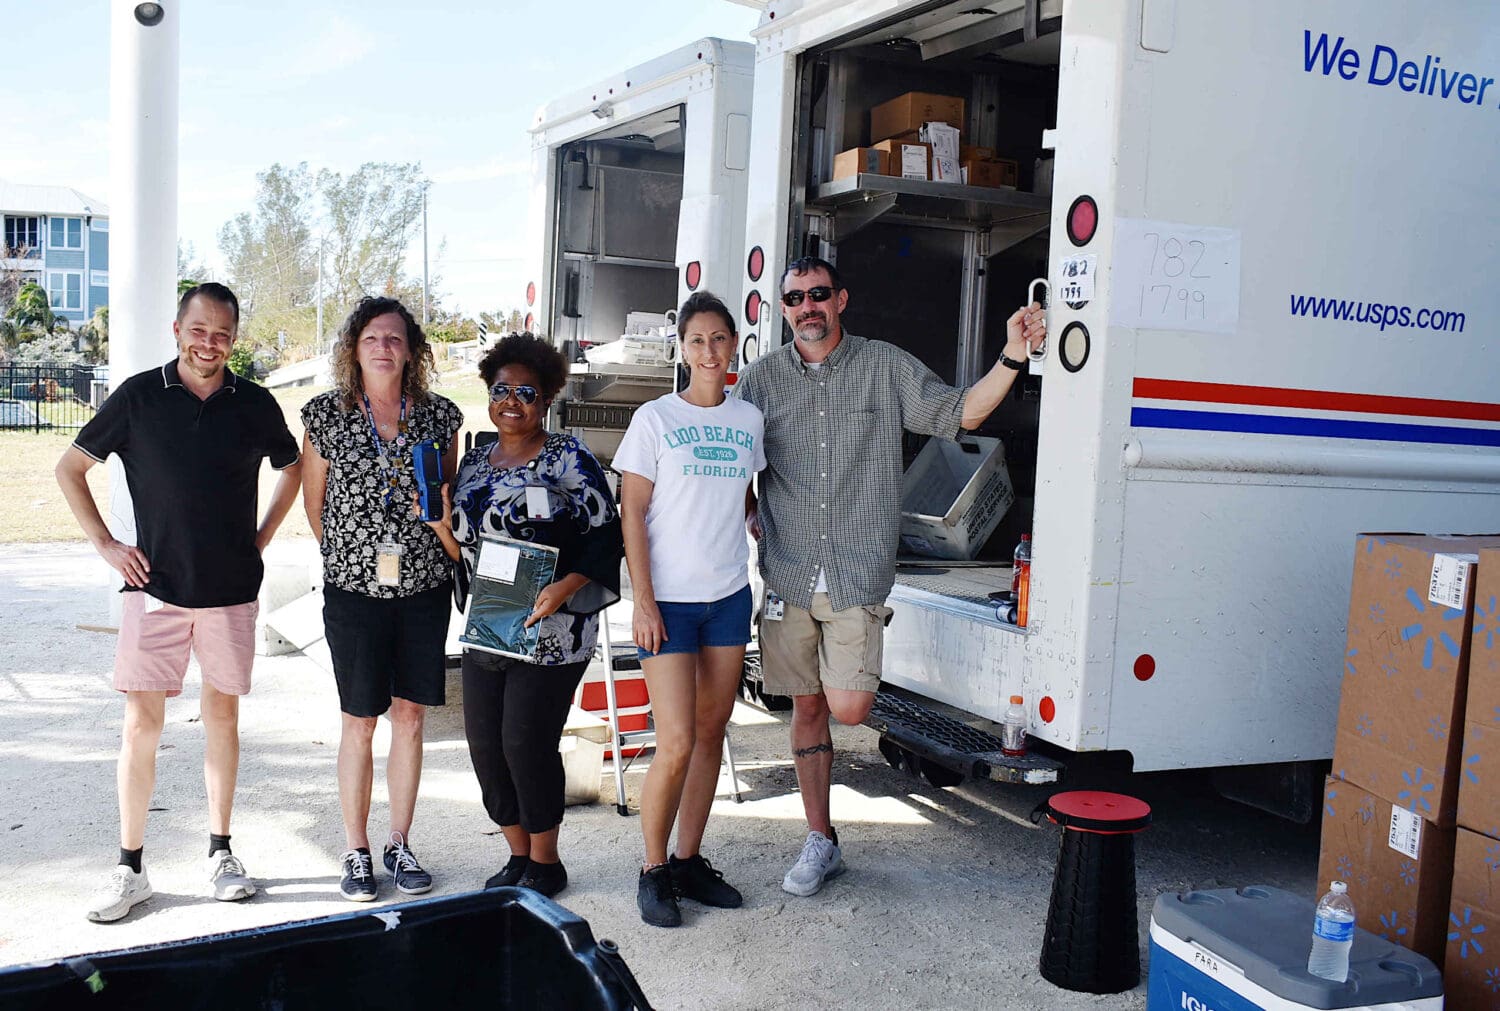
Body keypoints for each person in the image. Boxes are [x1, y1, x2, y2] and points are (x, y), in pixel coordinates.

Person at [734, 255, 1045, 897]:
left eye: (818, 294)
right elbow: (734, 454)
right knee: (807, 707)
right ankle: (820, 839)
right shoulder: (762, 379)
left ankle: (861, 645)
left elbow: (961, 413)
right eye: (794, 298)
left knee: (849, 707)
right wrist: (748, 510)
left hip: (855, 570)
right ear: (784, 309)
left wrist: (1013, 355)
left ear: (841, 299)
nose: (807, 307)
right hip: (789, 570)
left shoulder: (883, 365)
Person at [55, 282, 303, 923]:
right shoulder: (139, 396)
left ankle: (221, 853)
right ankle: (130, 867)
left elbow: (293, 467)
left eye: (222, 333)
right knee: (141, 726)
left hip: (229, 593)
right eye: (198, 330)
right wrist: (107, 545)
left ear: (234, 339)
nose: (209, 343)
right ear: (177, 329)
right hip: (154, 591)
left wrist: (261, 538)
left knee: (222, 720)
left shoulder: (254, 403)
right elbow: (69, 469)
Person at [424, 333, 622, 899]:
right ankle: (517, 854)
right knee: (485, 747)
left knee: (525, 743)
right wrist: (440, 527)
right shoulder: (474, 462)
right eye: (501, 390)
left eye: (526, 393)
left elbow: (606, 535)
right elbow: (464, 552)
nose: (511, 401)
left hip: (554, 628)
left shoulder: (568, 457)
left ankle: (546, 862)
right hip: (492, 620)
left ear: (547, 398)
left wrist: (565, 587)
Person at [300, 296, 462, 902]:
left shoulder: (440, 417)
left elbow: (446, 501)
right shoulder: (326, 416)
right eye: (372, 337)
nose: (383, 347)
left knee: (411, 717)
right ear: (353, 348)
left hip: (422, 589)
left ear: (412, 350)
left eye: (395, 338)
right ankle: (356, 849)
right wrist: (354, 558)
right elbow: (314, 505)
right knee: (359, 720)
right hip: (354, 593)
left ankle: (400, 842)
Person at [613, 292, 765, 927]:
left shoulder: (749, 420)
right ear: (682, 348)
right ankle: (652, 870)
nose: (709, 351)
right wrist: (643, 601)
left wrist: (761, 524)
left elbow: (746, 496)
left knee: (709, 733)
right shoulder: (655, 418)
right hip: (668, 603)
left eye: (719, 339)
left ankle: (687, 860)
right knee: (674, 740)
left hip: (727, 597)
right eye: (698, 340)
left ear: (734, 346)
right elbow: (632, 512)